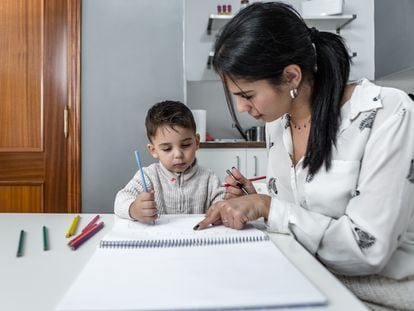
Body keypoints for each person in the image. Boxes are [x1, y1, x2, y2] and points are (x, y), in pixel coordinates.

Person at [194, 2, 414, 310]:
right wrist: (255, 200)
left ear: (291, 77)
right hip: (307, 280)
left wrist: (267, 207)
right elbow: (299, 213)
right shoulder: (277, 123)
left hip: (380, 295)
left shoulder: (387, 112)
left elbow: (369, 249)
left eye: (247, 95)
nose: (242, 108)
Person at [114, 100, 225, 223]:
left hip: (196, 238)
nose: (178, 155)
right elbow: (120, 200)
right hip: (158, 239)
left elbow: (223, 203)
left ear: (197, 142)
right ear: (153, 150)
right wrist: (134, 209)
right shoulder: (148, 176)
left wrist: (224, 206)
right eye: (167, 149)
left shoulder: (209, 178)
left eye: (186, 145)